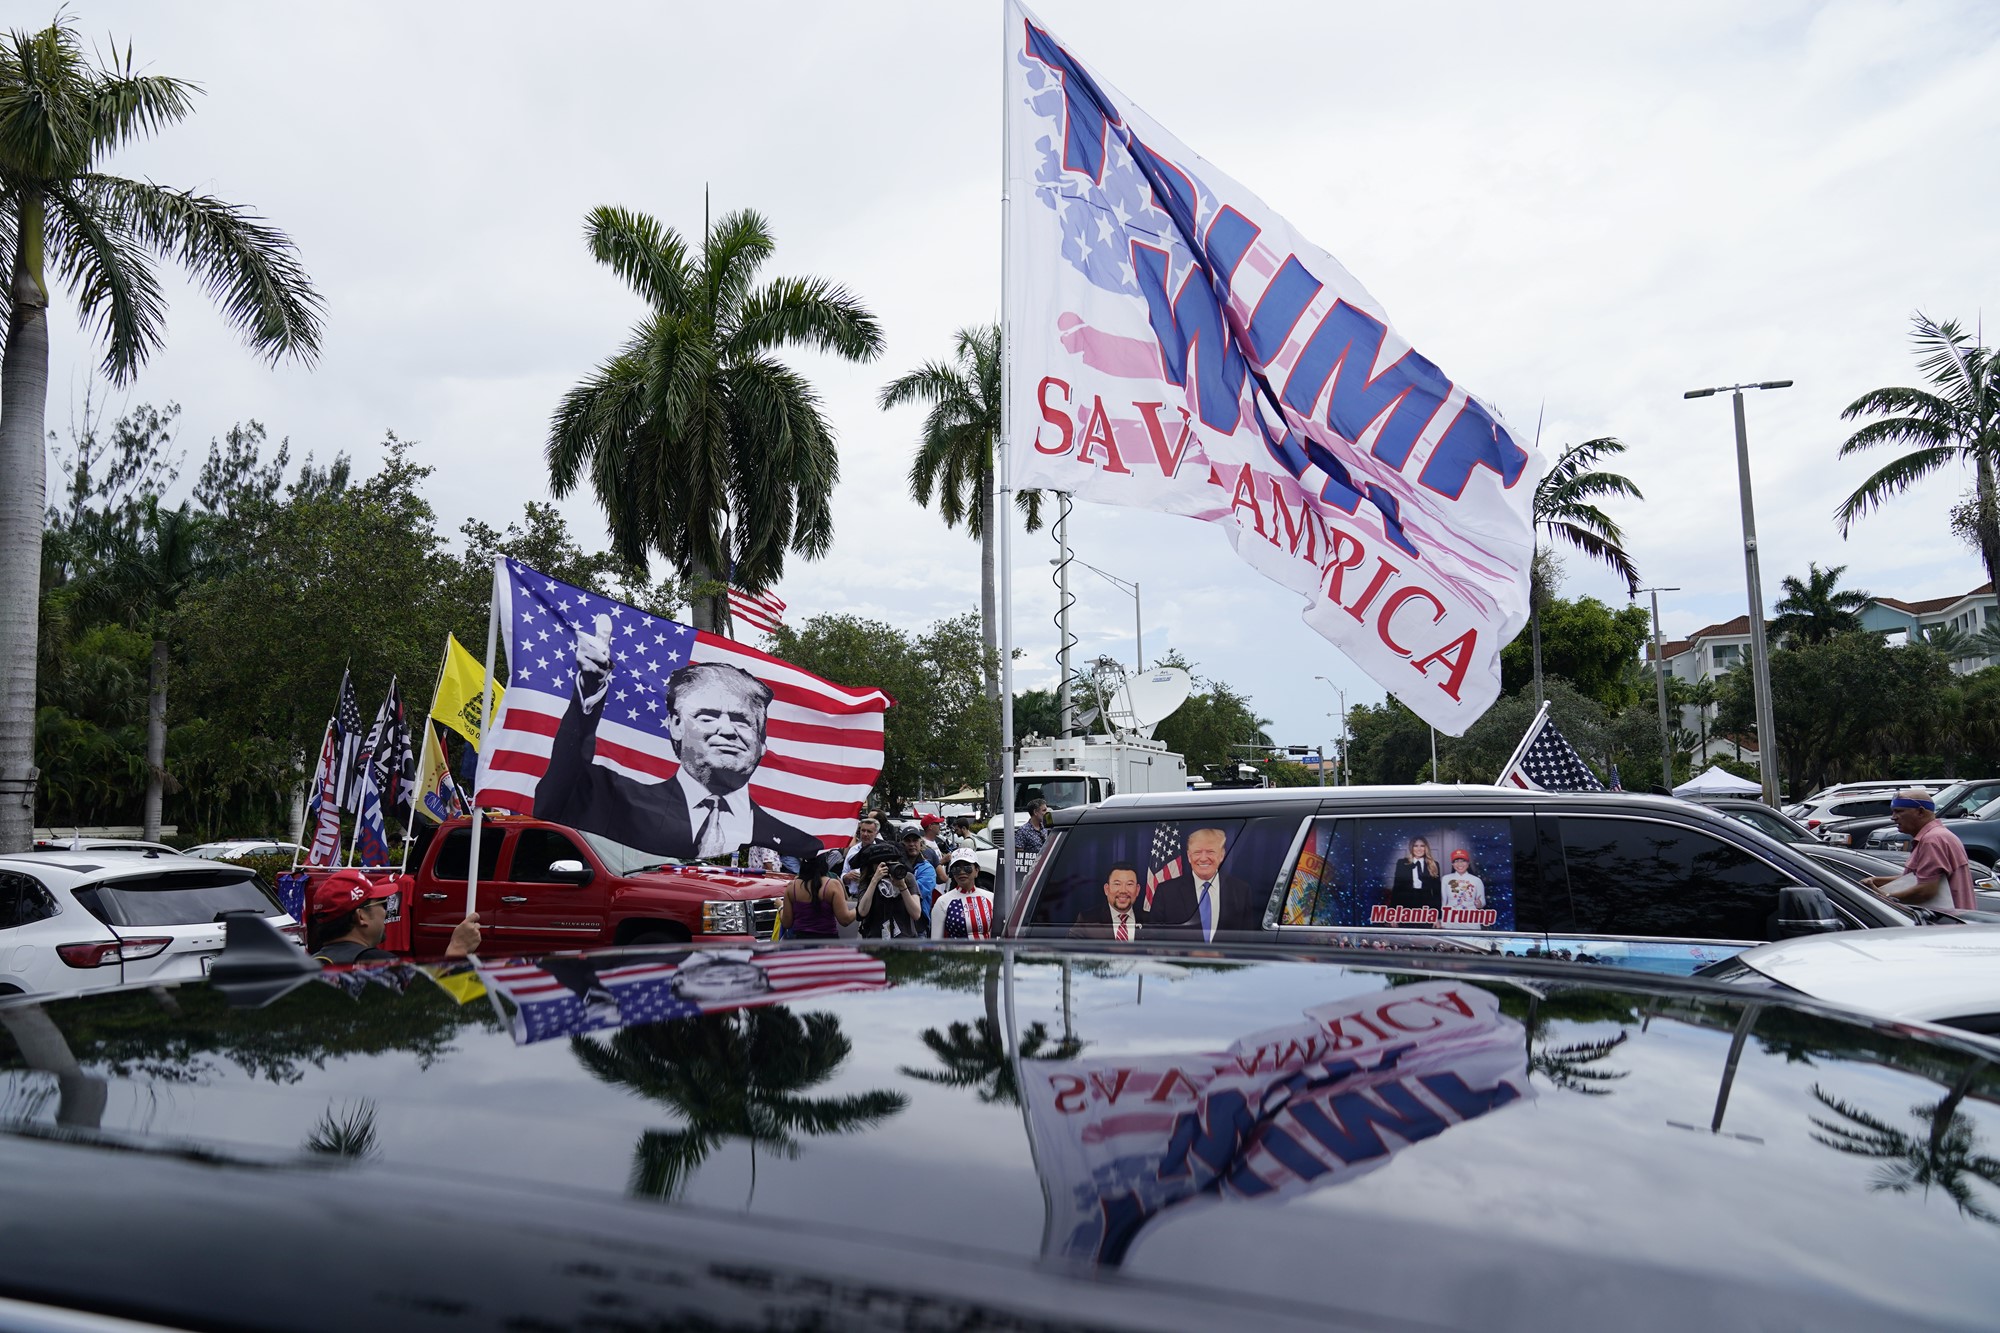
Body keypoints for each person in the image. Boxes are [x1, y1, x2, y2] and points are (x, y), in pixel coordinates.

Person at [535, 619, 820, 861]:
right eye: (707, 716)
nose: (727, 730)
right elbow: (561, 790)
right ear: (675, 726)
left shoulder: (792, 839)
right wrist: (589, 689)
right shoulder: (622, 802)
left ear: (762, 743)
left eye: (742, 720)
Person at [309, 869, 480, 964]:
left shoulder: (309, 967)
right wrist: (458, 950)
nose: (386, 911)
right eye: (382, 904)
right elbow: (432, 1011)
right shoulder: (380, 965)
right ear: (361, 917)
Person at [1865, 788, 1975, 911]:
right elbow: (1917, 877)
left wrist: (1884, 897)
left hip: (1947, 924)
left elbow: (1926, 890)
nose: (1893, 817)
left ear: (1920, 812)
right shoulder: (1937, 836)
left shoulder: (1932, 840)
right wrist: (1875, 881)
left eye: (1899, 811)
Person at [1148, 828, 1262, 940]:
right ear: (1189, 856)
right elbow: (1155, 938)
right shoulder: (1166, 892)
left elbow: (1246, 939)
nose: (1203, 858)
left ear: (1222, 855)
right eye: (1197, 852)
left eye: (1210, 852)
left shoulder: (1241, 891)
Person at [780, 851, 856, 940]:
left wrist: (781, 908)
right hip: (828, 945)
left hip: (800, 944)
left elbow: (786, 923)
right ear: (824, 863)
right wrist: (858, 909)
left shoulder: (792, 887)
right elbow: (845, 920)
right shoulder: (832, 885)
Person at [1069, 863, 1144, 940]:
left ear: (1137, 890)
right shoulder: (1087, 921)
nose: (1123, 890)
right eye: (1117, 884)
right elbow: (1068, 950)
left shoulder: (1150, 921)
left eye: (1129, 884)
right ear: (1106, 889)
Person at [855, 856, 925, 939]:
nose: (886, 868)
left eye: (889, 864)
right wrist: (874, 881)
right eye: (881, 865)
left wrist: (902, 887)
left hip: (905, 941)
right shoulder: (868, 880)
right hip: (876, 942)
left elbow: (916, 914)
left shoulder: (907, 877)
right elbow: (862, 912)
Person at [930, 852, 996, 939]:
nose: (962, 872)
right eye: (956, 868)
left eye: (967, 867)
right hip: (957, 952)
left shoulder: (991, 898)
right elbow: (936, 942)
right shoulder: (942, 901)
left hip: (987, 952)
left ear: (977, 870)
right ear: (952, 873)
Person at [1384, 837, 1443, 921]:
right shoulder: (1402, 863)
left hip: (1427, 907)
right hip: (1406, 906)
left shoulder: (1434, 864)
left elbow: (1437, 893)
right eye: (1416, 846)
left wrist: (1438, 917)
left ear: (1426, 848)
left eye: (1422, 846)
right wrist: (1393, 914)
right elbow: (1396, 889)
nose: (1419, 849)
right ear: (1411, 847)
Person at [897, 825, 940, 924]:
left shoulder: (927, 869)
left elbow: (917, 892)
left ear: (921, 843)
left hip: (918, 924)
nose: (912, 844)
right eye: (908, 841)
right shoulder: (896, 866)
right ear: (902, 844)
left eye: (915, 840)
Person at [1440, 848, 1487, 924]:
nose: (1459, 864)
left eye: (1463, 861)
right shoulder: (1446, 879)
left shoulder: (1476, 880)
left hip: (1470, 918)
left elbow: (1482, 902)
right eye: (1456, 861)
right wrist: (1442, 920)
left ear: (1468, 863)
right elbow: (1444, 902)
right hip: (1451, 918)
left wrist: (1479, 904)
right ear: (1452, 864)